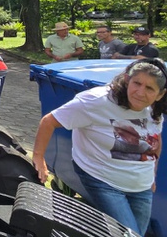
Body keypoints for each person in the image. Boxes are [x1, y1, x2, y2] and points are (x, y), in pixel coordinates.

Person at [32, 59, 166, 235]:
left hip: (142, 186)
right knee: (128, 235)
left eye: (149, 88)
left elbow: (155, 140)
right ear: (127, 79)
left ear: (160, 94)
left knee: (136, 233)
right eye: (137, 83)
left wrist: (153, 175)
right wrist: (38, 156)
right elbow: (49, 121)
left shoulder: (154, 110)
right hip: (104, 181)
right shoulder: (97, 101)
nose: (140, 92)